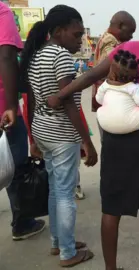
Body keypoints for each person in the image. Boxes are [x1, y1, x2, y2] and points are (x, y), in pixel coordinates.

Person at [47, 16, 139, 270]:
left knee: (112, 208)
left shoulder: (129, 48)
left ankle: (111, 268)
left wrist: (60, 95)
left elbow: (91, 76)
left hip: (115, 142)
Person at [19, 5, 97, 266]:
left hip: (43, 130)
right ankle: (67, 252)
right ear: (59, 31)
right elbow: (68, 104)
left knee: (55, 189)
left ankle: (59, 242)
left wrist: (33, 138)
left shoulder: (37, 54)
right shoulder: (60, 56)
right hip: (61, 133)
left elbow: (30, 100)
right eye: (76, 35)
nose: (79, 40)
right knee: (65, 193)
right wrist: (87, 141)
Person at [0, 1, 46, 241]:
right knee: (14, 168)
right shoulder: (2, 10)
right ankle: (22, 223)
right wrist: (9, 106)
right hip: (2, 109)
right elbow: (6, 55)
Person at [96, 50, 139, 134]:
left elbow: (99, 99)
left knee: (100, 110)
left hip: (104, 122)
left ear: (112, 71)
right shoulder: (133, 87)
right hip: (126, 123)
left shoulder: (105, 85)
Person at [92, 11, 136, 134]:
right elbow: (116, 63)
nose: (131, 36)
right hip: (108, 99)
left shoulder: (106, 37)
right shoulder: (110, 40)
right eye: (130, 32)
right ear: (120, 26)